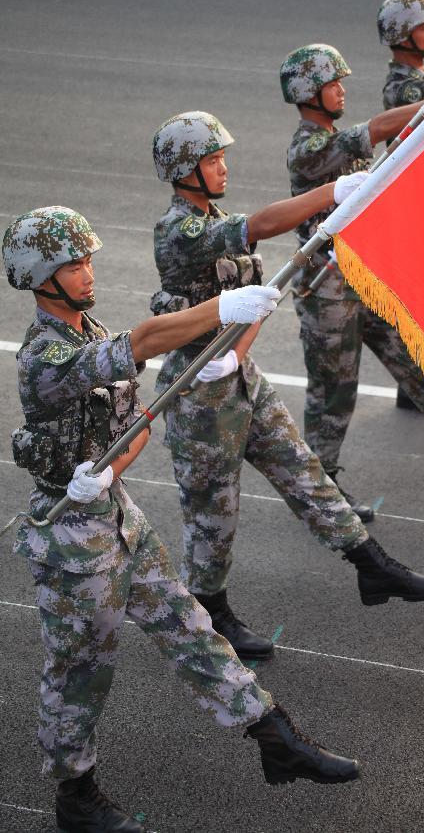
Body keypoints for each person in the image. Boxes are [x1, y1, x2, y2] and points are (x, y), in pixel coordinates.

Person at [3, 206, 363, 833]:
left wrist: (110, 473)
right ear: (40, 276)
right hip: (70, 539)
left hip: (115, 515)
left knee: (188, 623)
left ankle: (274, 735)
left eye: (88, 260)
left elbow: (136, 424)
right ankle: (74, 797)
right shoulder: (45, 356)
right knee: (80, 670)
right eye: (73, 264)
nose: (88, 272)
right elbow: (143, 343)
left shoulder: (88, 330)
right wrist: (221, 311)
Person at [151, 110, 424, 661]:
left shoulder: (215, 216)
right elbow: (260, 226)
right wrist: (331, 190)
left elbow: (257, 299)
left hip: (237, 377)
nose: (223, 167)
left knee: (306, 473)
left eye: (221, 158)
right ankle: (210, 616)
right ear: (184, 171)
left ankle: (372, 567)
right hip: (197, 392)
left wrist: (237, 357)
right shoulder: (178, 231)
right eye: (212, 160)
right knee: (213, 516)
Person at [281, 43, 424, 493]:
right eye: (331, 84)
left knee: (414, 356)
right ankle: (324, 490)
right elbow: (376, 128)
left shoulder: (333, 141)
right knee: (334, 392)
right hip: (326, 292)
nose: (341, 91)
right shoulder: (308, 148)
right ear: (308, 93)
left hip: (360, 276)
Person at [377, 0, 424, 410]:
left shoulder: (419, 80)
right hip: (419, 206)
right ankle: (417, 390)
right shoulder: (407, 89)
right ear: (403, 36)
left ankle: (413, 390)